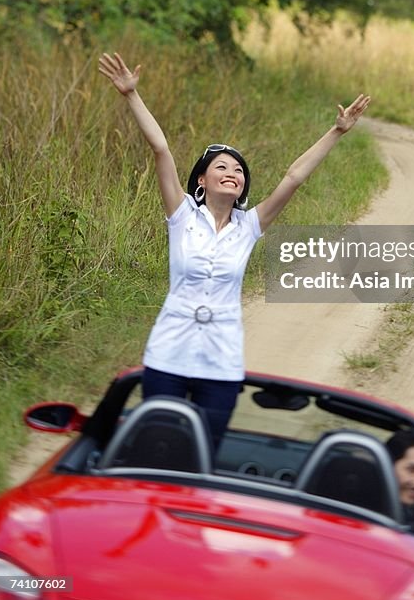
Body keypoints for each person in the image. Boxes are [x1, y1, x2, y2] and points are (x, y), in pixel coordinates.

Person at [98, 51, 370, 445]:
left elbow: (294, 177)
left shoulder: (249, 226)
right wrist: (131, 95)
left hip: (221, 359)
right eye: (222, 167)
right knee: (156, 448)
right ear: (202, 181)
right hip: (168, 352)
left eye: (239, 169)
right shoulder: (182, 216)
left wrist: (337, 131)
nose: (233, 173)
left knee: (205, 452)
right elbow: (161, 149)